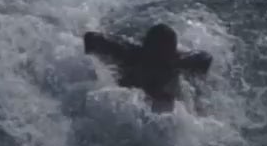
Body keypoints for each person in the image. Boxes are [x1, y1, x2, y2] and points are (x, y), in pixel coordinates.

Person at [81, 23, 212, 112]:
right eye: (153, 59)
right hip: (131, 83)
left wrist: (181, 63)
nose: (156, 64)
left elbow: (206, 57)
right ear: (145, 50)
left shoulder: (178, 61)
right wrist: (93, 71)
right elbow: (90, 37)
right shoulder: (129, 54)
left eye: (161, 62)